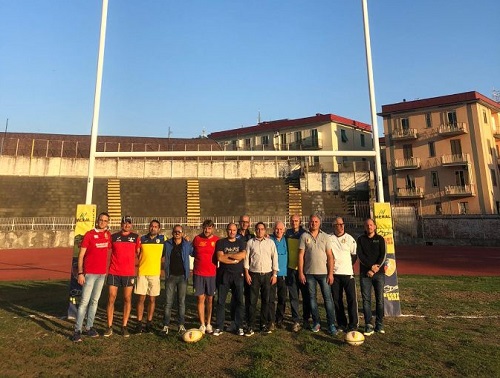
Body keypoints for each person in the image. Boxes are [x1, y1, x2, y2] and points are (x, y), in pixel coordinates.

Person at [71, 212, 111, 342]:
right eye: (101, 220)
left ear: (108, 222)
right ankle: (77, 330)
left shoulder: (107, 235)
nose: (103, 222)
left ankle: (89, 327)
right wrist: (81, 273)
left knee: (94, 301)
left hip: (101, 274)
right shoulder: (89, 235)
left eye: (105, 221)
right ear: (97, 220)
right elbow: (81, 255)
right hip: (89, 274)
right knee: (84, 302)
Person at [298, 214, 337, 336]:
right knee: (312, 299)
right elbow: (301, 256)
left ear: (319, 223)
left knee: (328, 299)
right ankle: (316, 322)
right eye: (312, 221)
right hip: (309, 274)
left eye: (316, 221)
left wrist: (330, 273)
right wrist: (301, 273)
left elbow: (330, 256)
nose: (314, 223)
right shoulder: (304, 236)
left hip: (324, 274)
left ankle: (331, 324)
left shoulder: (325, 236)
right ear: (309, 222)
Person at [105, 215, 141, 338]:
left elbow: (139, 254)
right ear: (121, 224)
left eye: (129, 223)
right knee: (111, 298)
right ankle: (109, 326)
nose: (127, 225)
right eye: (125, 223)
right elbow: (104, 247)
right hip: (114, 272)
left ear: (131, 225)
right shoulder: (113, 237)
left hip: (129, 273)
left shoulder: (135, 238)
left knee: (127, 299)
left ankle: (124, 326)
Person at [244, 222, 278, 335]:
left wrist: (275, 275)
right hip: (254, 275)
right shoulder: (250, 243)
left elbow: (275, 259)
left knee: (266, 301)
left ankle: (263, 324)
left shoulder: (270, 243)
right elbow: (246, 259)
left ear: (265, 230)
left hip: (267, 275)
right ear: (255, 230)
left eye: (262, 229)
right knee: (252, 302)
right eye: (258, 229)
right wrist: (247, 274)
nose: (260, 231)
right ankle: (250, 325)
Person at [213, 222, 246, 336]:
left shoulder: (241, 242)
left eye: (234, 230)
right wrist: (235, 259)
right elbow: (220, 257)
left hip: (238, 275)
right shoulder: (221, 242)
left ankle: (239, 326)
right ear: (226, 230)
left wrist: (228, 256)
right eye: (230, 230)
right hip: (224, 275)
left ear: (236, 231)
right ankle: (219, 326)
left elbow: (243, 255)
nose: (232, 232)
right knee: (221, 301)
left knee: (239, 301)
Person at [357, 218, 386, 336]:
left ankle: (379, 324)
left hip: (378, 274)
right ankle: (368, 325)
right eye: (367, 225)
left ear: (374, 226)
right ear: (364, 227)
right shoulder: (360, 239)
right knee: (366, 300)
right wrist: (370, 268)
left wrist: (375, 268)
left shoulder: (380, 239)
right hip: (365, 274)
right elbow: (360, 256)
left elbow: (382, 255)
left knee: (380, 300)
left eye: (371, 225)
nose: (369, 227)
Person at [134, 219, 164, 334]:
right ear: (149, 227)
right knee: (141, 299)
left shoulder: (162, 240)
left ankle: (149, 323)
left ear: (159, 229)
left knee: (152, 299)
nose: (153, 228)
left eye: (156, 226)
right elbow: (138, 253)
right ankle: (139, 323)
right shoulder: (142, 239)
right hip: (142, 272)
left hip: (155, 273)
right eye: (152, 226)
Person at [162, 224, 193, 335]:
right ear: (172, 233)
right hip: (171, 276)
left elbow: (194, 252)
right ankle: (166, 325)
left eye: (179, 231)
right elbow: (160, 255)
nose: (177, 233)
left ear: (183, 233)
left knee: (181, 302)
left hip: (182, 277)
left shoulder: (187, 245)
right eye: (175, 231)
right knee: (168, 302)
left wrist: (191, 242)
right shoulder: (167, 244)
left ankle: (181, 324)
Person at [330, 216, 358, 332]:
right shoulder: (329, 238)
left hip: (348, 274)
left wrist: (348, 265)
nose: (341, 226)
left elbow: (354, 255)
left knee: (351, 299)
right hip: (335, 274)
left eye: (342, 224)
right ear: (334, 226)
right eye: (338, 224)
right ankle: (341, 323)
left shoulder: (350, 239)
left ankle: (353, 324)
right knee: (337, 300)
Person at [191, 219, 219, 334]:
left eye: (209, 228)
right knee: (200, 299)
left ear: (212, 228)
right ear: (202, 228)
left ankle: (209, 323)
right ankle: (202, 324)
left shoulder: (217, 240)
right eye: (205, 228)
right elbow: (192, 252)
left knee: (210, 299)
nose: (207, 230)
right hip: (198, 273)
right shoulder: (197, 239)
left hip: (212, 274)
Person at [285, 214, 311, 332]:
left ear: (300, 222)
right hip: (290, 269)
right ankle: (296, 320)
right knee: (293, 296)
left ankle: (306, 319)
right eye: (292, 221)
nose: (294, 222)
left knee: (306, 296)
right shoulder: (288, 233)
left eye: (296, 221)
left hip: (303, 270)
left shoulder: (304, 234)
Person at [231, 214, 254, 332]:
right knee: (236, 296)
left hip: (250, 270)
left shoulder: (252, 236)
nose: (245, 224)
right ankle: (234, 320)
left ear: (249, 223)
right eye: (243, 221)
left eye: (247, 222)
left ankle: (248, 320)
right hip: (238, 269)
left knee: (249, 296)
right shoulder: (235, 235)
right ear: (239, 222)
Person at [268, 220, 287, 330]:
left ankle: (280, 319)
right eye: (277, 229)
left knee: (282, 298)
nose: (279, 231)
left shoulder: (286, 240)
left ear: (284, 230)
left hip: (283, 274)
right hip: (271, 274)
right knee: (271, 298)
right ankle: (271, 321)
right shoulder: (269, 239)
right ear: (273, 229)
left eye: (281, 229)